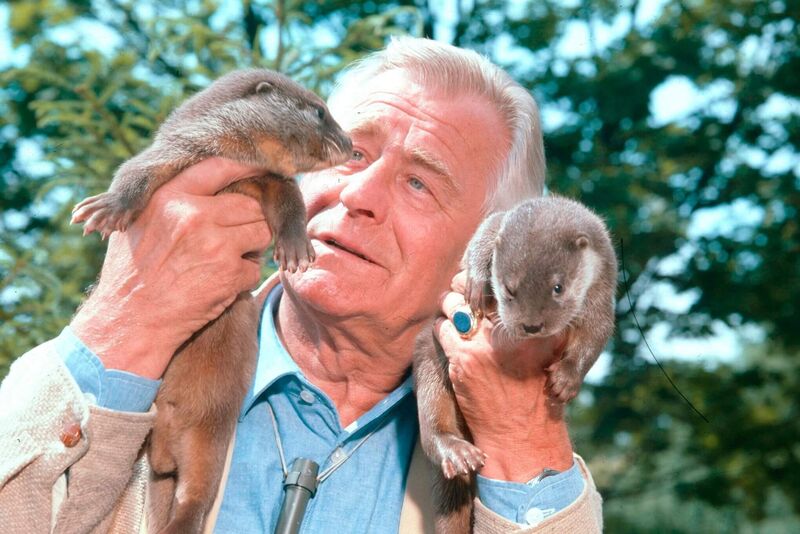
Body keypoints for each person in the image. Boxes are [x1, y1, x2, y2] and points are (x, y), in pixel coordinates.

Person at [0, 37, 602, 532]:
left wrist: (522, 435)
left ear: (484, 254)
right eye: (354, 154)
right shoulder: (146, 363)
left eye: (420, 183)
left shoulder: (488, 451)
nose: (358, 194)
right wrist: (124, 321)